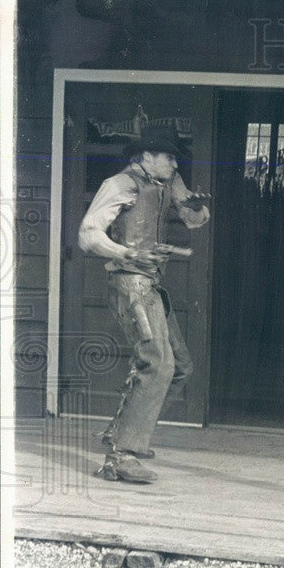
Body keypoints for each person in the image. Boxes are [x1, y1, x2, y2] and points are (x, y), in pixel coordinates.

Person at [78, 124, 210, 483]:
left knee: (180, 366)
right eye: (168, 156)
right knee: (157, 364)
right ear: (146, 156)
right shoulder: (121, 184)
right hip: (130, 285)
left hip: (152, 285)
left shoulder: (167, 182)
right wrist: (128, 253)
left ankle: (122, 431)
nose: (174, 163)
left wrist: (194, 207)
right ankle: (121, 456)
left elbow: (194, 221)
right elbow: (88, 234)